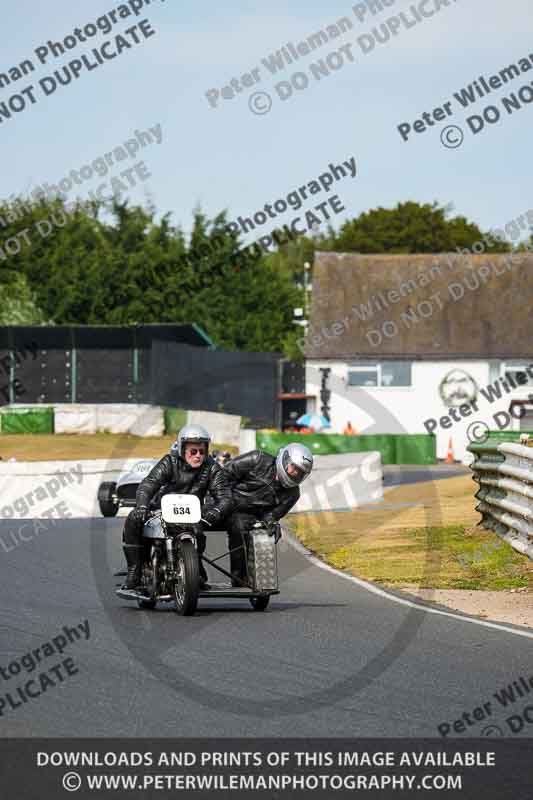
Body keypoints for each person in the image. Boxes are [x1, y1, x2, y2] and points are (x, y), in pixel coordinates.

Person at [122, 424, 232, 592]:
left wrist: (215, 512)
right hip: (161, 510)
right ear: (182, 449)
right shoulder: (170, 462)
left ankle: (195, 570)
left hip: (192, 513)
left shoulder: (211, 467)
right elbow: (148, 484)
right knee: (132, 519)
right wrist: (142, 506)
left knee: (199, 533)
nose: (198, 456)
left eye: (202, 452)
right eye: (193, 452)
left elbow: (225, 496)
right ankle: (134, 571)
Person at [222, 443, 314, 585]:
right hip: (222, 502)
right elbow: (223, 476)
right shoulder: (257, 459)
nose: (295, 474)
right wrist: (221, 502)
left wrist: (270, 521)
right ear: (285, 459)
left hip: (246, 516)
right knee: (191, 526)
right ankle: (193, 574)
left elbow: (273, 514)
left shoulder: (293, 494)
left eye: (300, 473)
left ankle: (240, 577)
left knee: (244, 528)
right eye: (293, 468)